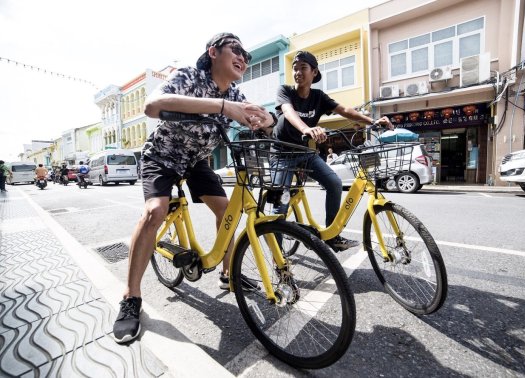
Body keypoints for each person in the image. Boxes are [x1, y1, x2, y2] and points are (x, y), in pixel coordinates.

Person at [112, 32, 276, 344]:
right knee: (154, 212)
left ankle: (228, 273)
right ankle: (131, 296)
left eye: (247, 55)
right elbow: (152, 106)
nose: (243, 57)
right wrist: (223, 106)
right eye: (236, 50)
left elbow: (265, 122)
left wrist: (267, 119)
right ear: (213, 52)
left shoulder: (238, 95)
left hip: (197, 160)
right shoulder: (189, 76)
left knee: (227, 209)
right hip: (162, 156)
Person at [271, 50, 393, 252]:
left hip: (304, 153)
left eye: (303, 68)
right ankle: (278, 258)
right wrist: (306, 129)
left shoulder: (318, 97)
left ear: (314, 72)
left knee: (335, 183)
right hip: (281, 154)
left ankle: (332, 236)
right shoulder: (285, 91)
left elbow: (345, 110)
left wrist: (372, 121)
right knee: (280, 205)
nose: (298, 72)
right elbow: (288, 111)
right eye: (295, 68)